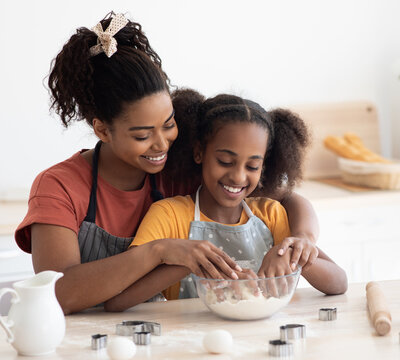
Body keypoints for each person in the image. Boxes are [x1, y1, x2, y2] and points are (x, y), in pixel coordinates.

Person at [14, 12, 320, 314]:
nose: (162, 144)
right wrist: (159, 252)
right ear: (103, 129)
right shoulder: (59, 186)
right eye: (143, 134)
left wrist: (303, 239)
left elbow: (285, 197)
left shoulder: (179, 169)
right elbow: (57, 293)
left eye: (168, 124)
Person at [104, 89, 348, 311]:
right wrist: (190, 263)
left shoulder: (270, 214)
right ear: (199, 152)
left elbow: (339, 283)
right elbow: (118, 300)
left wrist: (297, 253)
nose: (238, 176)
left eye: (252, 165)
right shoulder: (169, 215)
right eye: (225, 162)